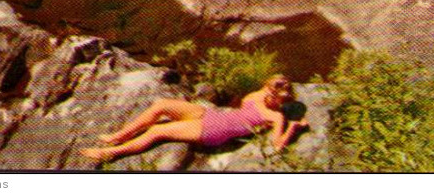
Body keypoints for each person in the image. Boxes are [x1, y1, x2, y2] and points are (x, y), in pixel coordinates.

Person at [80, 75, 307, 162]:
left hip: (216, 131)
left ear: (281, 100)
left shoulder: (275, 116)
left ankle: (111, 153)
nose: (266, 95)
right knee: (162, 105)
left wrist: (293, 128)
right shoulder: (258, 95)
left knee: (157, 131)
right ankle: (118, 136)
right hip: (214, 115)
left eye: (272, 95)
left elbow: (277, 146)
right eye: (267, 89)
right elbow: (243, 107)